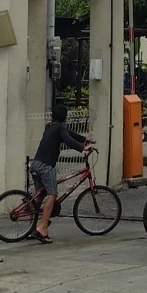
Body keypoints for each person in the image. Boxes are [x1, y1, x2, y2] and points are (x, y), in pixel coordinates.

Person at [31, 103, 92, 243]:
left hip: (35, 164)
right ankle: (42, 228)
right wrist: (83, 148)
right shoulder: (59, 127)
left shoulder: (51, 127)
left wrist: (84, 139)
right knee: (52, 195)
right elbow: (69, 140)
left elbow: (69, 134)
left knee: (40, 196)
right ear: (64, 117)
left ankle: (31, 227)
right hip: (46, 166)